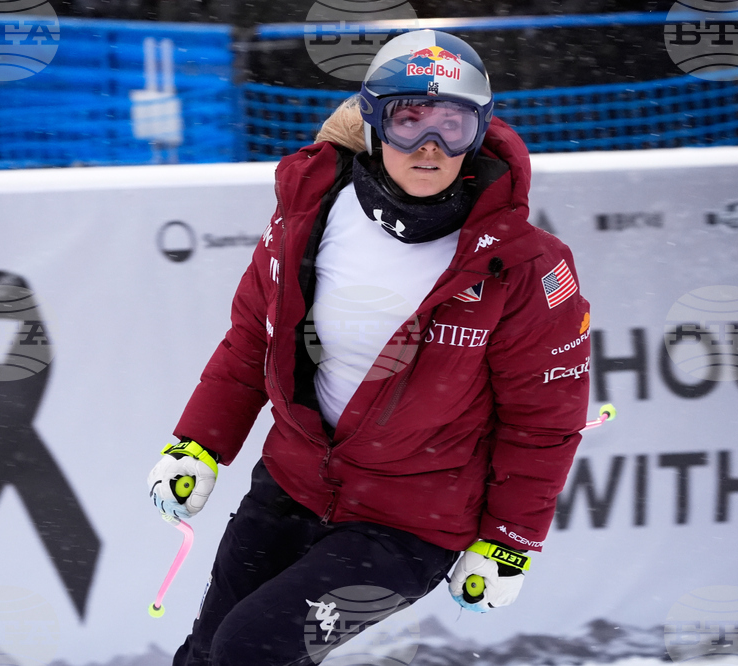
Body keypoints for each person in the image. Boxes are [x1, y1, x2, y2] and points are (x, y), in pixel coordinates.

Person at [147, 29, 592, 666]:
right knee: (208, 651)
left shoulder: (524, 265)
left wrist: (509, 541)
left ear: (481, 129)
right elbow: (252, 342)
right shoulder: (311, 214)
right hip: (292, 483)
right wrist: (199, 444)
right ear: (374, 121)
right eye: (409, 122)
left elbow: (543, 420)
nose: (432, 147)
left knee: (253, 650)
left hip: (411, 526)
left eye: (454, 125)